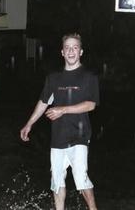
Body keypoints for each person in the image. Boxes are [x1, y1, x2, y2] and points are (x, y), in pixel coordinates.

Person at [20, 33, 99, 210]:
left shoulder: (89, 77)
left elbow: (91, 105)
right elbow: (43, 102)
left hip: (79, 135)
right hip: (58, 136)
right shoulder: (53, 78)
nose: (71, 51)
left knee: (80, 177)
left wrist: (62, 109)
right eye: (68, 48)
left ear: (81, 51)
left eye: (75, 47)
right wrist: (29, 124)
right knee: (56, 181)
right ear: (62, 52)